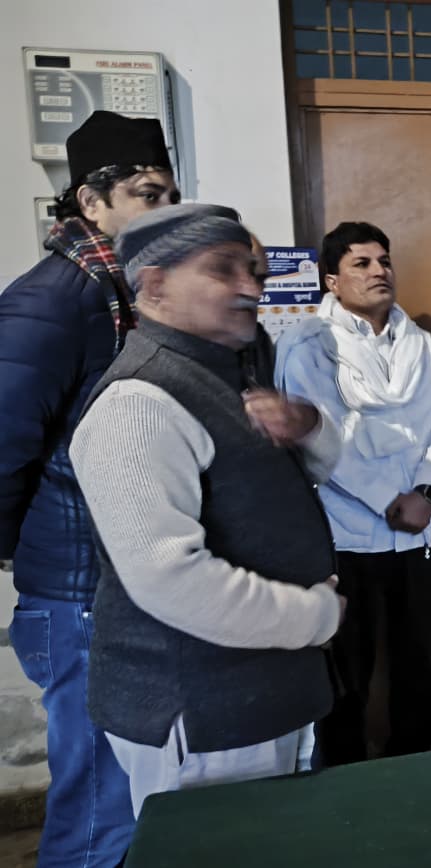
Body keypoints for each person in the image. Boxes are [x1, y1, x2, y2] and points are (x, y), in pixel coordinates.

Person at [68, 203, 345, 817]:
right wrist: (316, 616)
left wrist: (307, 426)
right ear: (155, 284)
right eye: (224, 269)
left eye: (254, 270)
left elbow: (294, 483)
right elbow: (170, 579)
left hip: (263, 695)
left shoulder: (228, 372)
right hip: (202, 713)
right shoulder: (137, 403)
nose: (252, 288)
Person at [0, 111, 179, 866]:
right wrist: (26, 552)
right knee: (101, 809)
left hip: (126, 580)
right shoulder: (51, 302)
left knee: (134, 795)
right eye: (147, 195)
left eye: (171, 196)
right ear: (92, 201)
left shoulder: (131, 294)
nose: (166, 213)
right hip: (78, 594)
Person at [275, 220, 431, 763]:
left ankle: (415, 774)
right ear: (332, 281)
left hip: (422, 534)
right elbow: (321, 439)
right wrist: (389, 499)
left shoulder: (419, 342)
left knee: (417, 669)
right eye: (361, 263)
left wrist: (426, 492)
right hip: (349, 540)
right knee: (347, 677)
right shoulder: (308, 345)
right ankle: (347, 790)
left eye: (384, 261)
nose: (378, 271)